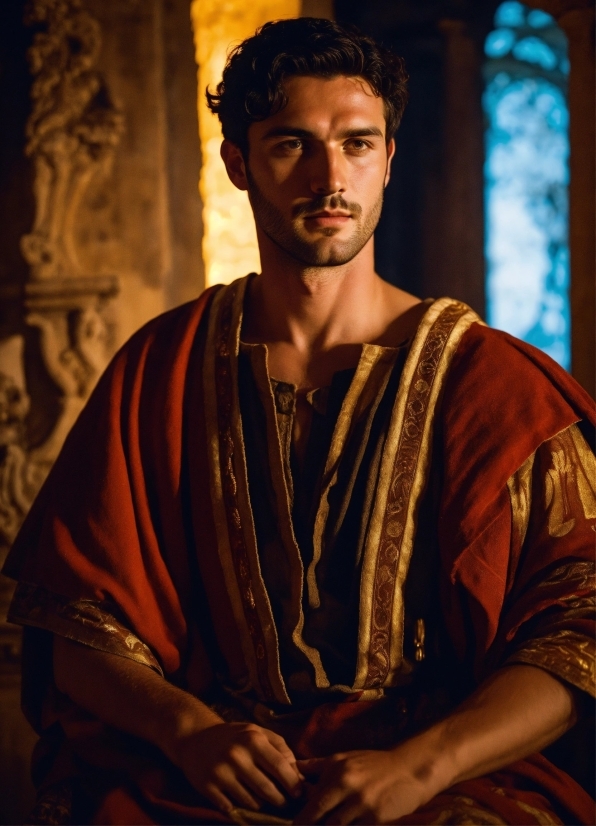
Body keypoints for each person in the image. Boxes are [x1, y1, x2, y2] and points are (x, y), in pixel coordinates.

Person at [3, 17, 595, 826]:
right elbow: (73, 621)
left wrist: (422, 768)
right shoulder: (160, 369)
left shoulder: (497, 384)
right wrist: (190, 733)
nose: (330, 178)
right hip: (209, 773)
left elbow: (581, 632)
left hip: (445, 781)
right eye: (292, 145)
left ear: (388, 158)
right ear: (239, 165)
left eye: (356, 144)